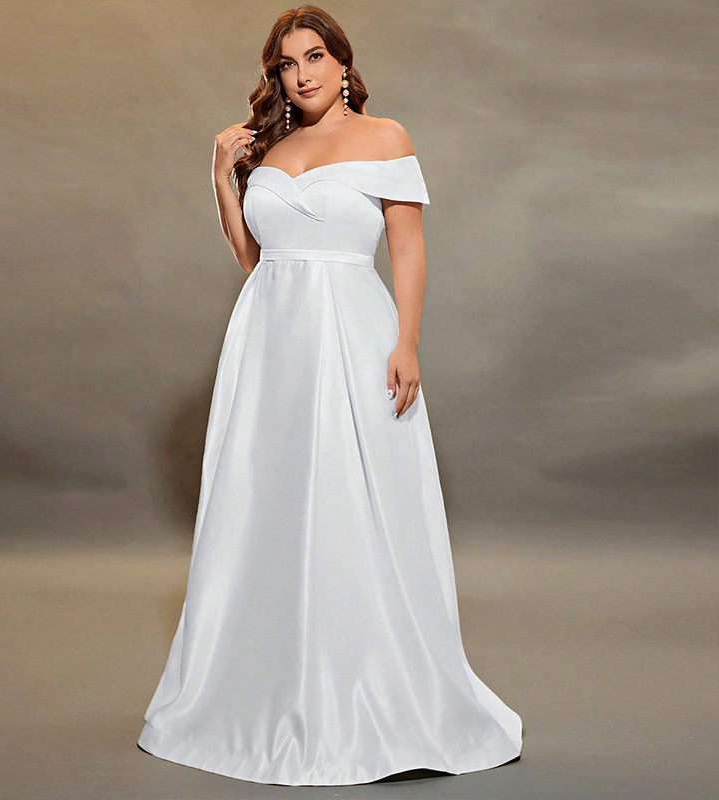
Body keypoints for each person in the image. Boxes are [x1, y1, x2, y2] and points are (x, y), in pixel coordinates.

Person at [137, 4, 523, 787]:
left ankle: (369, 684)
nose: (301, 73)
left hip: (352, 334)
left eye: (314, 56)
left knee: (353, 498)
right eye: (286, 63)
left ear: (343, 63)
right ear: (275, 75)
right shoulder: (270, 147)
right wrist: (221, 178)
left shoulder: (385, 137)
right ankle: (267, 685)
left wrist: (407, 343)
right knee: (270, 504)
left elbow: (407, 249)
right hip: (270, 345)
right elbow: (256, 260)